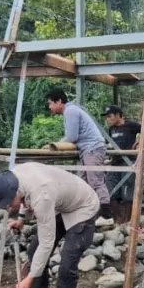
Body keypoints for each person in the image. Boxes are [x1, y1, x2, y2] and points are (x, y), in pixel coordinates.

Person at [0, 163, 98, 288]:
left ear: (13, 190)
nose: (8, 208)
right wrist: (22, 220)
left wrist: (29, 278)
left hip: (83, 207)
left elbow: (47, 242)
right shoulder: (14, 180)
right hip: (59, 204)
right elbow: (24, 199)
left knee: (67, 264)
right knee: (33, 250)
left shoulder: (41, 194)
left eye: (8, 203)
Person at [45, 89, 111, 218]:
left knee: (95, 180)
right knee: (82, 181)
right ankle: (87, 212)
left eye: (50, 103)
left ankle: (106, 215)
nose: (50, 107)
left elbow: (72, 137)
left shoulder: (70, 111)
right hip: (86, 148)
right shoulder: (71, 110)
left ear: (59, 101)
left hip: (92, 147)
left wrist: (54, 144)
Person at [102, 104, 141, 222]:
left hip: (128, 162)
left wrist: (139, 142)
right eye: (106, 117)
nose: (108, 119)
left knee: (127, 192)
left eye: (110, 116)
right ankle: (118, 219)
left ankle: (128, 219)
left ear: (119, 115)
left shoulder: (131, 125)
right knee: (110, 190)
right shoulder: (111, 129)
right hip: (115, 162)